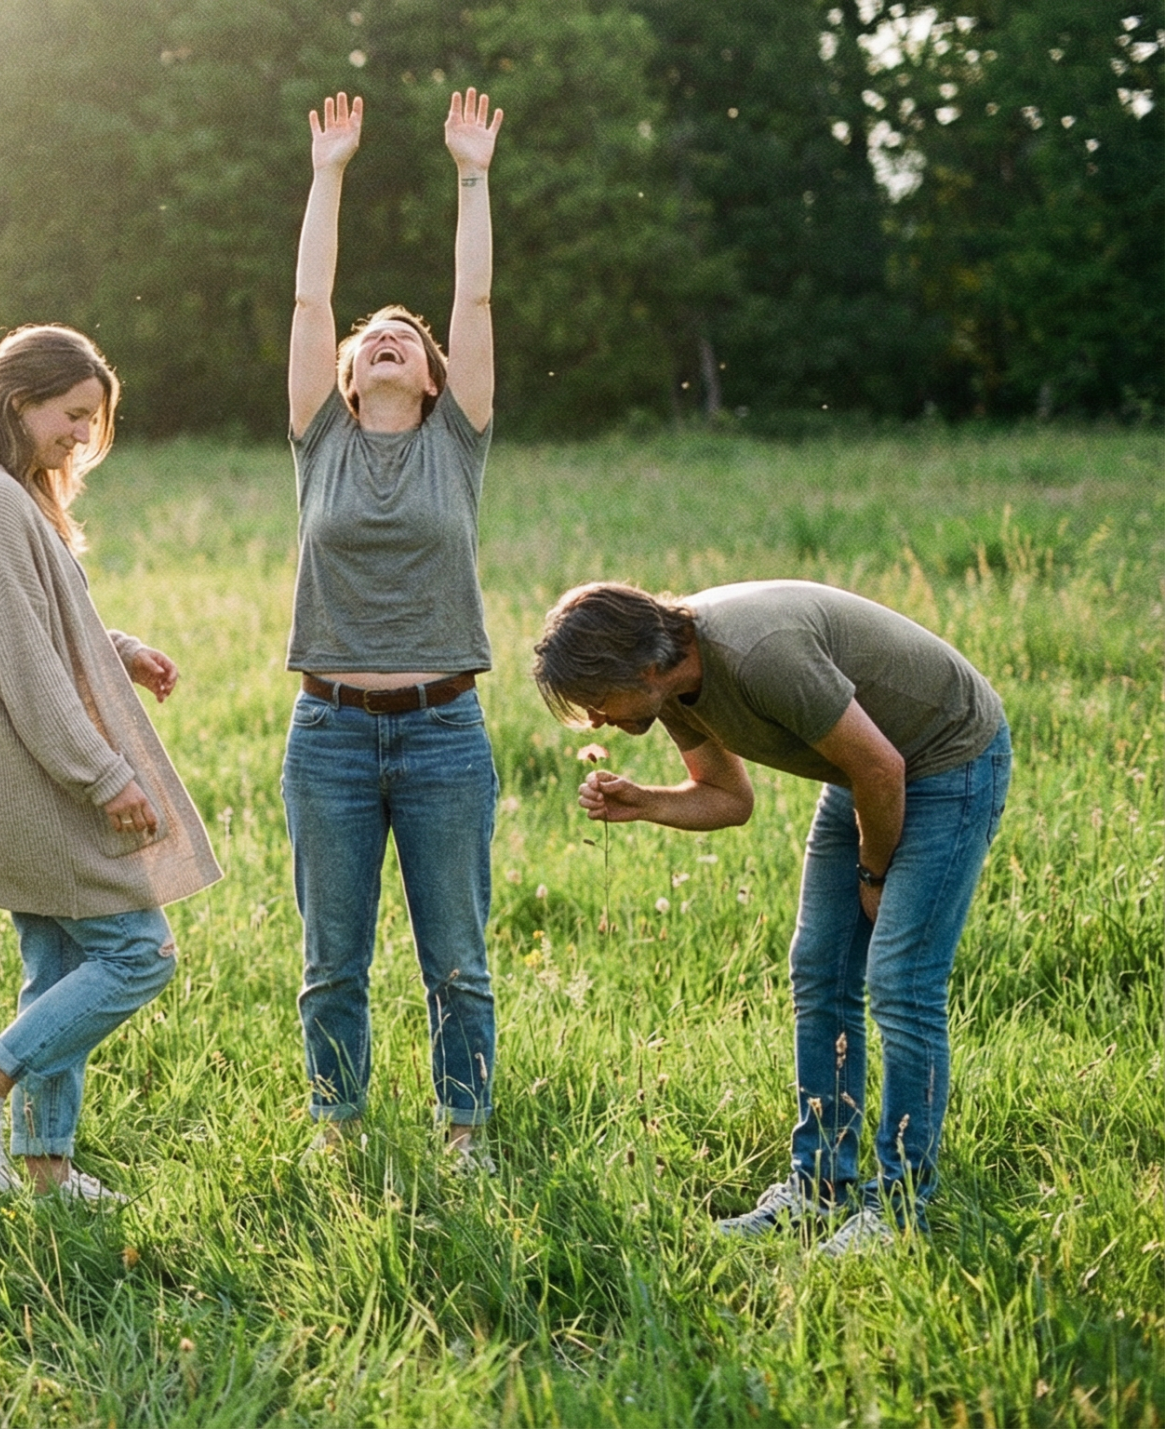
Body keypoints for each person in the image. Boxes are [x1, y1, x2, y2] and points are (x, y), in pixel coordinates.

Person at [533, 579, 1008, 1254]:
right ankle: (819, 1189)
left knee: (901, 981)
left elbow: (882, 767)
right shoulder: (671, 687)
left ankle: (899, 1211)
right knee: (819, 968)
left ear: (639, 669)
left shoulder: (757, 653)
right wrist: (646, 802)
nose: (598, 720)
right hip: (866, 771)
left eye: (597, 700)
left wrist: (874, 873)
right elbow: (728, 798)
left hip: (947, 758)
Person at [0, 325, 222, 1202]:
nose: (82, 437)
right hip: (34, 775)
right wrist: (104, 773)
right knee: (137, 952)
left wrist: (113, 647)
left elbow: (30, 623)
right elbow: (19, 657)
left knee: (56, 963)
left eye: (92, 421)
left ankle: (46, 1166)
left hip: (15, 770)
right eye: (73, 415)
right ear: (21, 402)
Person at [281, 89, 505, 1163]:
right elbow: (308, 298)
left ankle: (464, 1129)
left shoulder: (456, 442)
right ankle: (338, 1126)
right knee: (333, 958)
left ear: (431, 377)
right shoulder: (316, 439)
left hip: (443, 733)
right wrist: (327, 173)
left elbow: (472, 294)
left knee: (454, 956)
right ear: (343, 371)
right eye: (370, 339)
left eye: (402, 340)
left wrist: (471, 172)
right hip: (326, 732)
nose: (383, 341)